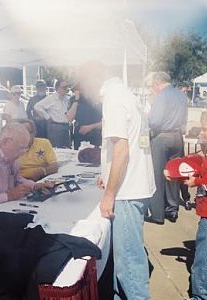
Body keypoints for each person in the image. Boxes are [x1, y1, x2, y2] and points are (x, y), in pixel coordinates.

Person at [78, 61, 156, 300]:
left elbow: (122, 149)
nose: (81, 91)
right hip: (133, 185)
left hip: (127, 190)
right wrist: (107, 172)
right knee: (125, 261)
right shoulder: (124, 93)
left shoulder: (113, 98)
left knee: (129, 265)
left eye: (82, 84)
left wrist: (109, 194)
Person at [177, 109, 207, 300]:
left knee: (205, 260)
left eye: (205, 129)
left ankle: (204, 296)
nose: (202, 132)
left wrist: (196, 182)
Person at [147, 72, 188, 224]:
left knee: (157, 175)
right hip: (177, 137)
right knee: (173, 174)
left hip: (162, 136)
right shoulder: (181, 95)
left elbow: (155, 121)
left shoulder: (161, 96)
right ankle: (172, 210)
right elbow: (184, 119)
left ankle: (157, 214)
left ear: (157, 83)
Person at [34, 80, 78, 148]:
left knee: (66, 149)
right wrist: (47, 117)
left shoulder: (66, 98)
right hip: (55, 127)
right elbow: (37, 106)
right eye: (64, 87)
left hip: (65, 127)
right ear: (58, 88)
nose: (66, 89)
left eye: (67, 87)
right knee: (56, 150)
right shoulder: (51, 98)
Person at [69, 84, 102, 150]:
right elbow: (69, 118)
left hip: (95, 134)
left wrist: (90, 127)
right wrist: (76, 100)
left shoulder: (99, 100)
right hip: (79, 134)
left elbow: (105, 122)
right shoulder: (74, 99)